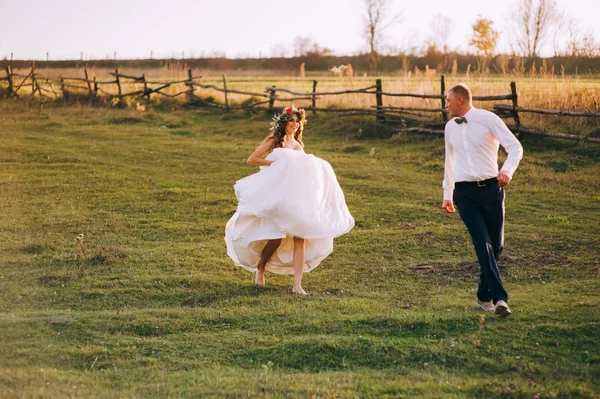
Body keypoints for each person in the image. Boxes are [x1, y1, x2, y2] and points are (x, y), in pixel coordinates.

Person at [225, 106, 354, 295]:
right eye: (291, 121)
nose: (294, 124)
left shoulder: (299, 145)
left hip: (298, 195)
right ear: (284, 123)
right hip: (279, 193)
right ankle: (260, 269)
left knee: (301, 237)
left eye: (297, 121)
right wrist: (277, 164)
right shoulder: (275, 141)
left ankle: (297, 285)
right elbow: (252, 159)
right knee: (276, 237)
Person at [442, 84, 523, 317]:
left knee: (496, 245)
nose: (445, 104)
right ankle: (500, 298)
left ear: (460, 100)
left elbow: (515, 148)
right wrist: (448, 193)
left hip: (491, 190)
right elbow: (450, 160)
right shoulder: (450, 127)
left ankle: (482, 295)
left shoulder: (488, 119)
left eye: (447, 100)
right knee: (482, 242)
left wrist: (506, 171)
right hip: (465, 194)